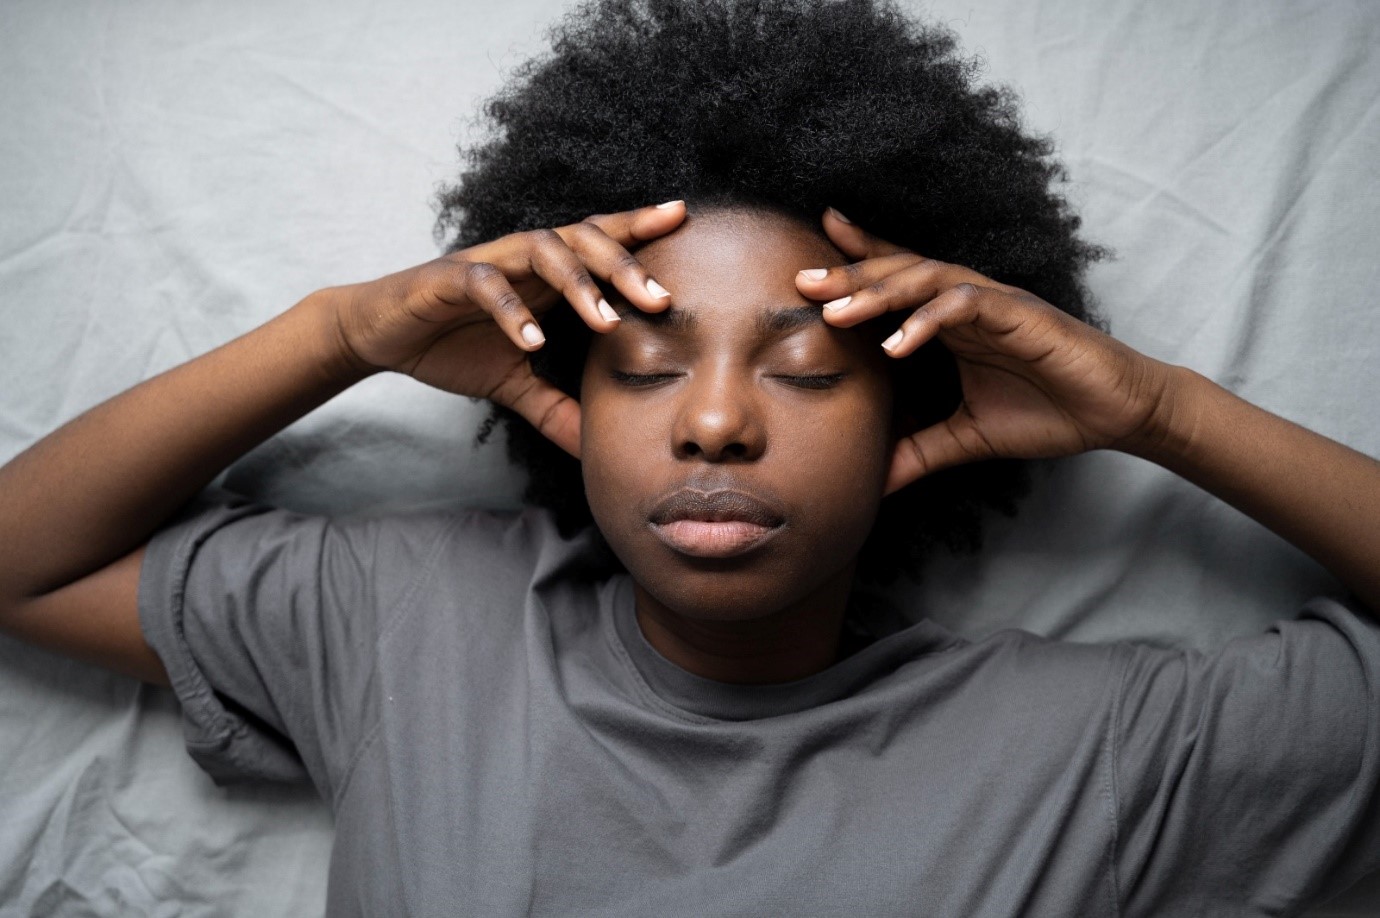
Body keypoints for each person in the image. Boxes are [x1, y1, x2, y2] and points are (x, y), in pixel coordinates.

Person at [1, 0, 1378, 914]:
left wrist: (1155, 410)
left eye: (807, 368)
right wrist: (341, 332)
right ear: (567, 401)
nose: (715, 421)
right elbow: (22, 563)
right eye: (647, 366)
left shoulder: (1101, 755)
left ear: (909, 409)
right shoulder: (407, 622)